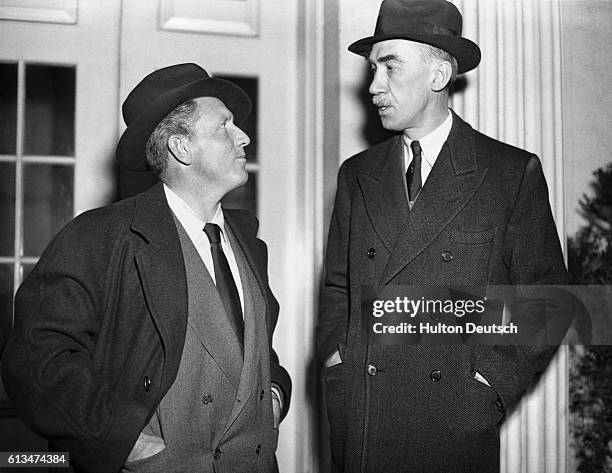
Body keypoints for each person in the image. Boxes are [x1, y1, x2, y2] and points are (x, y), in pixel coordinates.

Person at [316, 1, 569, 472]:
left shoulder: (508, 173)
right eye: (373, 69)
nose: (373, 86)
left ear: (437, 75)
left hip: (451, 422)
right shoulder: (357, 174)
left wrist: (487, 385)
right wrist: (337, 362)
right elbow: (338, 287)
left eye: (390, 67)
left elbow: (549, 299)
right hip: (366, 415)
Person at [2, 63, 291, 473]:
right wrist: (120, 438)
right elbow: (35, 361)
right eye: (224, 126)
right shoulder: (101, 236)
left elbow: (248, 352)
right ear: (181, 148)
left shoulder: (248, 241)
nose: (243, 136)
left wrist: (275, 392)